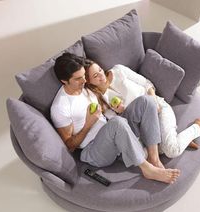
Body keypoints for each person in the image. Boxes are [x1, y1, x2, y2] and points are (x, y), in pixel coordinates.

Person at [50, 53, 180, 184]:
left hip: (113, 133)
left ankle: (154, 159)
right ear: (64, 81)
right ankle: (147, 169)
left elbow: (106, 113)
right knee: (117, 123)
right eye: (78, 79)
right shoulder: (60, 107)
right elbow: (70, 146)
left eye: (84, 75)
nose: (84, 81)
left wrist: (119, 110)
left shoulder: (86, 88)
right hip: (94, 149)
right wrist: (88, 124)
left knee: (146, 101)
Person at [83, 61, 200, 159]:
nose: (101, 75)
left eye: (100, 70)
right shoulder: (101, 101)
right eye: (95, 76)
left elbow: (146, 83)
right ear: (89, 82)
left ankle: (198, 126)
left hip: (158, 108)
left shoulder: (118, 70)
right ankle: (174, 138)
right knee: (141, 154)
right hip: (143, 127)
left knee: (172, 151)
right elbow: (120, 125)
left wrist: (153, 100)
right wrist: (121, 111)